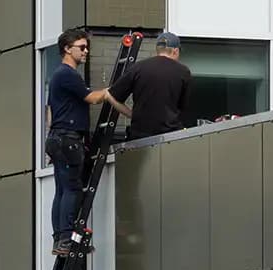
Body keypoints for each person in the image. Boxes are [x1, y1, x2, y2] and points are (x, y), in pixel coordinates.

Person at [44, 27, 116, 255]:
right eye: (82, 47)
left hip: (57, 138)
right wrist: (112, 91)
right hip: (68, 138)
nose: (86, 51)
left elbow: (50, 112)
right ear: (67, 48)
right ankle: (66, 239)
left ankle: (60, 239)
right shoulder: (67, 74)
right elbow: (92, 98)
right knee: (72, 189)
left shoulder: (57, 76)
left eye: (87, 47)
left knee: (62, 189)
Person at [108, 31, 192, 141]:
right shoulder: (183, 72)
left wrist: (132, 115)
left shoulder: (138, 67)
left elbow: (112, 96)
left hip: (139, 136)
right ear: (175, 51)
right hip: (169, 137)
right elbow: (183, 106)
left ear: (157, 49)